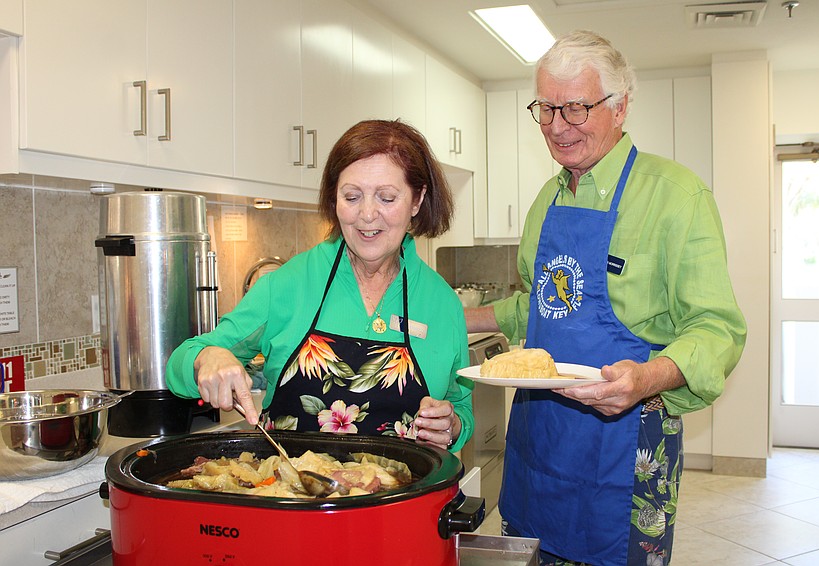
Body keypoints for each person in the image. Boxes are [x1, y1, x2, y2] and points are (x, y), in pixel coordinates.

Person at [465, 31, 746, 565]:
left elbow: (717, 329)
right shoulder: (546, 199)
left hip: (628, 443)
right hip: (540, 440)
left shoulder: (677, 197)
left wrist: (647, 377)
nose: (556, 126)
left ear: (620, 107)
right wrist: (456, 315)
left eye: (575, 108)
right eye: (545, 109)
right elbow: (539, 308)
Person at [167, 119, 473, 453]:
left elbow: (461, 405)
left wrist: (453, 426)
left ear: (416, 201)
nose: (367, 214)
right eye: (352, 196)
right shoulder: (287, 285)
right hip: (289, 499)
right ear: (334, 200)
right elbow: (181, 364)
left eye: (386, 198)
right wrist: (208, 357)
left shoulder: (442, 303)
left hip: (402, 503)